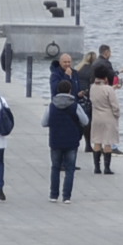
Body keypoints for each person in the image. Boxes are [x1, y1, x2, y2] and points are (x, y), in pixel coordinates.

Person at [44, 54, 84, 201]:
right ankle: (55, 195)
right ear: (60, 63)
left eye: (69, 61)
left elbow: (75, 89)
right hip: (60, 108)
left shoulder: (75, 73)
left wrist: (79, 94)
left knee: (69, 167)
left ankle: (64, 195)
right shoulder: (56, 75)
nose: (67, 64)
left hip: (73, 107)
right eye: (65, 62)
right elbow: (57, 90)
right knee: (56, 167)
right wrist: (67, 78)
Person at [87, 63, 121, 173]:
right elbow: (114, 106)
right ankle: (107, 168)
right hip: (108, 118)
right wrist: (117, 115)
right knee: (107, 142)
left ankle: (97, 167)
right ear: (105, 77)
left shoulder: (92, 87)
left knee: (97, 141)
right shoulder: (108, 89)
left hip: (96, 117)